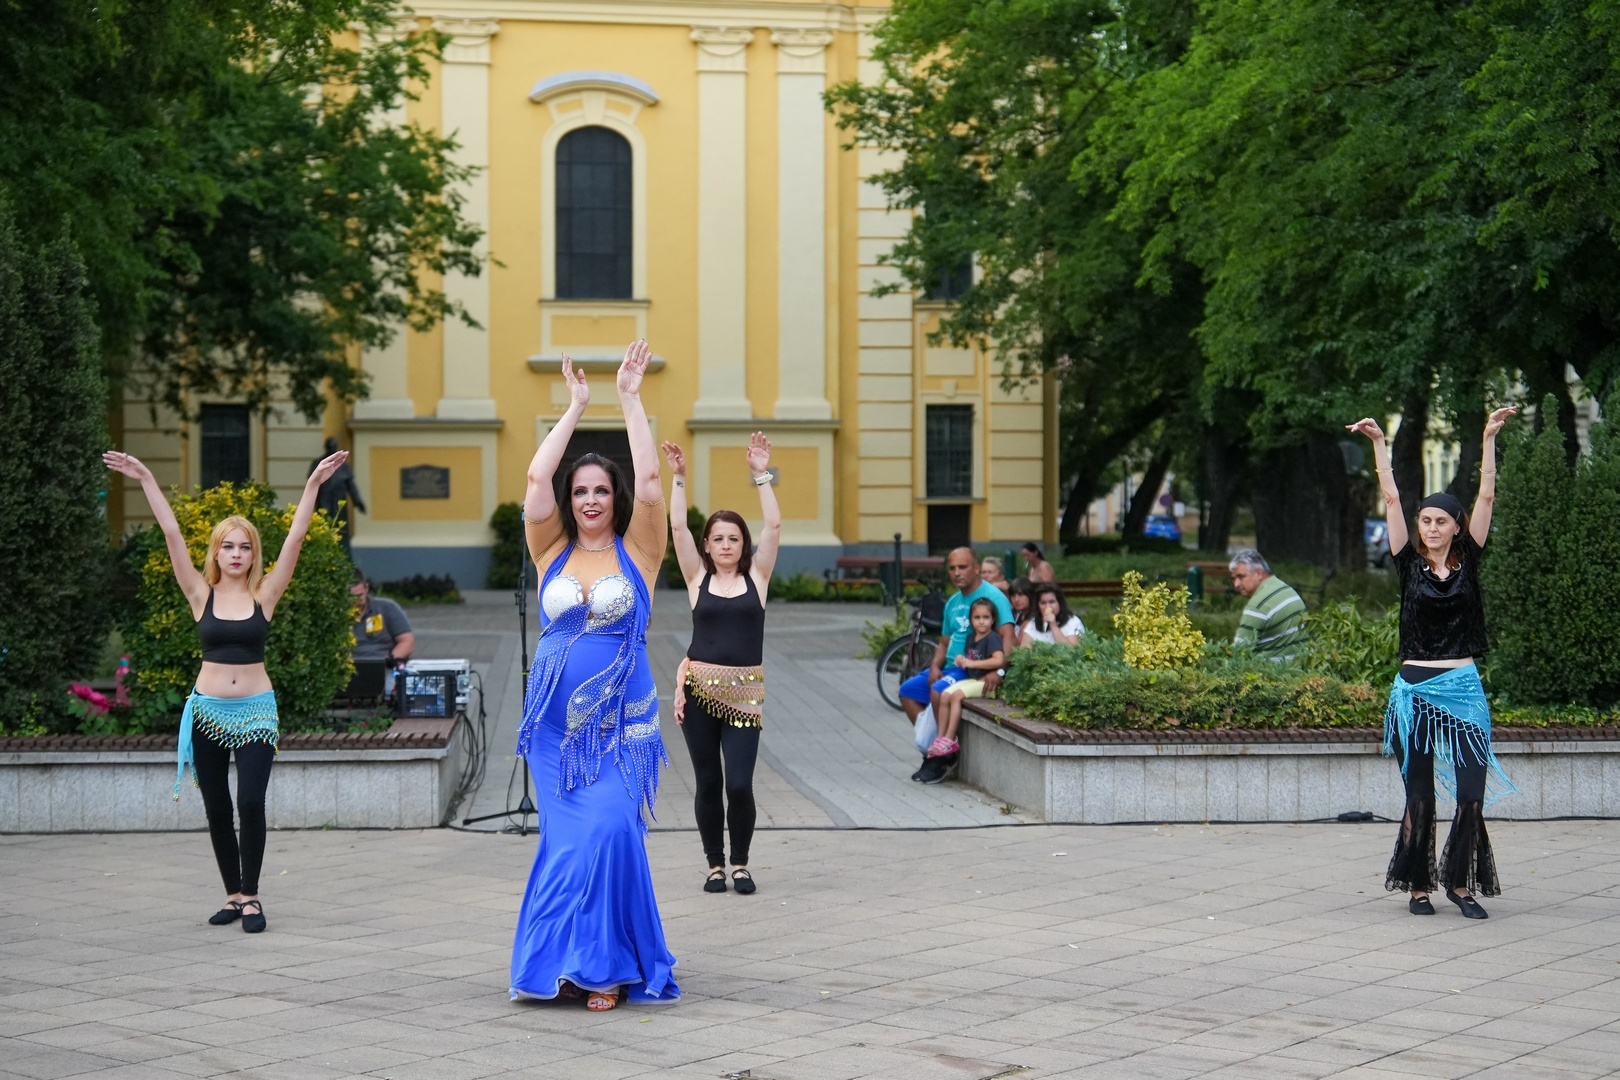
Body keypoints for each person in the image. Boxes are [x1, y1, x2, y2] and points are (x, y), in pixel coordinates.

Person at [104, 446, 350, 935]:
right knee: (217, 806)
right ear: (215, 552)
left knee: (251, 802)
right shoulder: (200, 593)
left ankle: (252, 896)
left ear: (254, 555)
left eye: (245, 547)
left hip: (256, 712)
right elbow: (172, 533)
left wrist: (312, 486)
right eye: (228, 546)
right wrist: (146, 478)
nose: (236, 554)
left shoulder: (266, 594)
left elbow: (296, 538)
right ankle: (233, 895)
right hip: (207, 713)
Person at [510, 342, 678, 1010]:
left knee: (610, 833)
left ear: (615, 498)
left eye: (600, 490)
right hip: (554, 734)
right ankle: (562, 965)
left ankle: (606, 962)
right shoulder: (549, 549)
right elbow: (534, 479)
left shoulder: (642, 551)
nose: (588, 499)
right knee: (567, 845)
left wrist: (629, 400)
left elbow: (652, 481)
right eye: (579, 491)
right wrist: (576, 406)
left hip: (617, 729)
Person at [1348, 407, 1518, 920]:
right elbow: (1391, 497)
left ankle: (1460, 885)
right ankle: (1419, 885)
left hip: (1463, 688)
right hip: (1415, 693)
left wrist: (1488, 439)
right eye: (1425, 520)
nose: (1431, 527)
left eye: (1441, 521)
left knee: (1470, 795)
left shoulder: (1471, 559)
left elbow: (1486, 496)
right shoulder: (1406, 562)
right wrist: (1379, 444)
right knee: (1420, 797)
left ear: (1456, 526)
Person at [661, 432, 780, 895]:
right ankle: (715, 865)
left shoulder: (758, 576)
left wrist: (761, 475)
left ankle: (741, 864)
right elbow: (677, 529)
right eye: (718, 539)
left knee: (740, 784)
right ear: (707, 546)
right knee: (708, 781)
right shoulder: (697, 577)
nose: (726, 545)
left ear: (743, 544)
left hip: (745, 694)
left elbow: (773, 527)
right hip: (699, 694)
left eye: (734, 538)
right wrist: (679, 478)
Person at [898, 548, 1015, 783]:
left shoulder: (994, 597)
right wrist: (934, 666)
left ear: (976, 568)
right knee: (907, 691)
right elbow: (944, 643)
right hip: (950, 667)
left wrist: (999, 671)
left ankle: (942, 757)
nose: (957, 573)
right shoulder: (952, 602)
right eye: (952, 568)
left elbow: (1009, 640)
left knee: (938, 691)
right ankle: (932, 749)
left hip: (973, 669)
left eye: (962, 567)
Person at [927, 598, 1007, 783]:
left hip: (986, 684)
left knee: (956, 696)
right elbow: (969, 659)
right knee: (945, 694)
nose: (981, 622)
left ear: (993, 619)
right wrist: (961, 660)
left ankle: (950, 740)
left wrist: (972, 663)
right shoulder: (971, 637)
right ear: (971, 619)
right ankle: (940, 738)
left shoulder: (992, 638)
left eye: (986, 617)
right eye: (977, 617)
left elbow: (999, 660)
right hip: (973, 679)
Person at [1229, 549, 1308, 661]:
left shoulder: (1258, 606)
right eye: (1234, 578)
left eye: (1241, 577)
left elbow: (1238, 654)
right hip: (1302, 664)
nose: (1236, 584)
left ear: (1258, 573)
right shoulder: (1286, 589)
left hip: (1274, 669)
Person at [309, 436, 365, 553]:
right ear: (326, 447)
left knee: (341, 531)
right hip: (323, 502)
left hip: (339, 502)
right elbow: (311, 485)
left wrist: (358, 501)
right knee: (323, 529)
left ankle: (343, 556)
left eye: (334, 447)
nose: (332, 449)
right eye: (330, 447)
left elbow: (351, 486)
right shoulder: (318, 464)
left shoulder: (343, 466)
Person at [350, 571, 414, 665]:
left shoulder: (387, 608)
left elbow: (407, 641)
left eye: (360, 596)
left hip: (384, 664)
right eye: (351, 597)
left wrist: (389, 661)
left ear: (366, 588)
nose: (356, 601)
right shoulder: (335, 615)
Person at [1019, 583, 1085, 647]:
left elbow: (1073, 651)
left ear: (1060, 603)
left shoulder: (1073, 622)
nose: (1048, 607)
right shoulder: (1032, 623)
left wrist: (1053, 625)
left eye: (1052, 602)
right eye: (1043, 603)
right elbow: (1024, 651)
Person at [1007, 577, 1036, 644]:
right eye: (1013, 595)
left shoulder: (1033, 619)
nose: (1016, 599)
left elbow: (1018, 645)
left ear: (1030, 595)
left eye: (1021, 595)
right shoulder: (1019, 615)